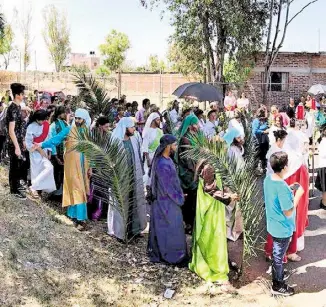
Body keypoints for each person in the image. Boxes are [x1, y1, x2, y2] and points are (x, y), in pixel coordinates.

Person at [37, 108, 92, 230]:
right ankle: (75, 216)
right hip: (71, 165)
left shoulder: (87, 132)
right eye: (76, 118)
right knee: (74, 187)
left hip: (83, 165)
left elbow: (90, 150)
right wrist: (42, 144)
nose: (77, 120)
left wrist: (90, 167)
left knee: (80, 189)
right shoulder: (69, 130)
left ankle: (79, 218)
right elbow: (56, 139)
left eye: (80, 118)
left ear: (84, 119)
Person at [189, 161, 238, 285]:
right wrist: (229, 197)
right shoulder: (209, 165)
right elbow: (210, 189)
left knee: (213, 238)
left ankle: (217, 264)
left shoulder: (210, 160)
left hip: (212, 208)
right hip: (210, 210)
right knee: (213, 239)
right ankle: (217, 269)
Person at [264, 151, 304, 296]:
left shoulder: (268, 179)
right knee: (279, 255)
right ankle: (277, 284)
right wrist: (297, 195)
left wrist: (290, 188)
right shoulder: (281, 187)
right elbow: (288, 211)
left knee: (277, 253)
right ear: (285, 167)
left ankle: (278, 272)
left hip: (273, 225)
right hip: (282, 227)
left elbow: (275, 196)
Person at [265, 130, 309, 262]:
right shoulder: (295, 163)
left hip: (274, 210)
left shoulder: (278, 158)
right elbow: (293, 207)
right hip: (288, 210)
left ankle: (270, 251)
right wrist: (297, 195)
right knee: (289, 221)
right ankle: (288, 252)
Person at [147, 134, 188, 265]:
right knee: (169, 228)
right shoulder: (162, 164)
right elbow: (168, 187)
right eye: (175, 145)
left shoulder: (167, 160)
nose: (176, 147)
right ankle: (171, 255)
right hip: (165, 202)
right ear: (168, 146)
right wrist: (180, 198)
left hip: (169, 200)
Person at [108, 117, 147, 241]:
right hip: (121, 179)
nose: (134, 129)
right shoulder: (116, 140)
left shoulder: (134, 139)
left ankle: (134, 229)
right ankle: (120, 231)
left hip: (134, 178)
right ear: (125, 128)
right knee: (121, 204)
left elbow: (139, 157)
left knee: (134, 202)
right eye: (132, 127)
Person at [177, 114, 201, 233]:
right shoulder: (185, 139)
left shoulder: (193, 136)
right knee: (189, 199)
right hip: (188, 174)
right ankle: (188, 224)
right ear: (191, 125)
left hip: (193, 172)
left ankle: (191, 222)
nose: (198, 125)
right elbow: (188, 160)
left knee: (193, 199)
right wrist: (197, 169)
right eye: (196, 123)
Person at [25, 110, 56, 199]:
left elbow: (49, 139)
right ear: (36, 119)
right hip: (35, 152)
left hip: (45, 151)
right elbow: (29, 143)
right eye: (40, 120)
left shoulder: (46, 125)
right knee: (36, 171)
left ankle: (33, 187)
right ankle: (35, 190)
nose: (42, 122)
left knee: (49, 167)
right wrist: (39, 149)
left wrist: (49, 151)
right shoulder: (31, 126)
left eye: (43, 120)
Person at [6, 83, 26, 199]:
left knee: (19, 165)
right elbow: (11, 130)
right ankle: (14, 189)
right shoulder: (12, 109)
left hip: (18, 140)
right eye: (22, 94)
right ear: (18, 95)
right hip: (13, 142)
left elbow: (19, 127)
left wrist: (22, 140)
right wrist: (17, 146)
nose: (24, 96)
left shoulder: (18, 106)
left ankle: (17, 185)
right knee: (14, 166)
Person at [89, 116, 111, 220]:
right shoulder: (94, 136)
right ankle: (95, 213)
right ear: (100, 126)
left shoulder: (107, 136)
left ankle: (102, 212)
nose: (108, 128)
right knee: (97, 190)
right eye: (106, 126)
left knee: (104, 189)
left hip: (105, 166)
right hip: (95, 166)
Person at [49, 106, 68, 195]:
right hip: (57, 153)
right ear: (59, 113)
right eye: (64, 112)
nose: (66, 114)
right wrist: (55, 156)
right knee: (56, 172)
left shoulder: (65, 123)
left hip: (64, 152)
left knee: (63, 172)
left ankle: (60, 191)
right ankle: (54, 192)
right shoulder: (53, 126)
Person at [142, 112, 163, 186]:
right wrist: (148, 159)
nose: (159, 121)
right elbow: (145, 147)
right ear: (153, 121)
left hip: (159, 156)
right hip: (150, 157)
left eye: (159, 120)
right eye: (157, 120)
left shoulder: (160, 131)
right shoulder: (147, 132)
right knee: (149, 176)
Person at [315, 127, 326, 209]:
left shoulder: (322, 141)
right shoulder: (323, 141)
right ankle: (324, 203)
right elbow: (322, 154)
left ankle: (324, 202)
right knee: (324, 187)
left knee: (324, 187)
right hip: (323, 166)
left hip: (323, 166)